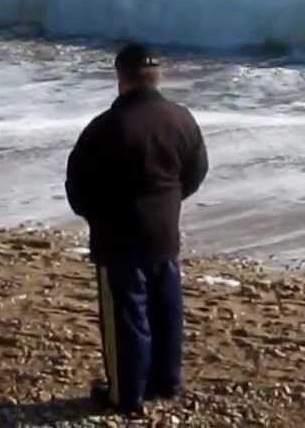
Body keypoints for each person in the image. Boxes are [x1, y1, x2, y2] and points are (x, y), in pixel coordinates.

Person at [65, 42, 209, 416]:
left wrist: (98, 217)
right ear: (156, 76)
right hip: (165, 232)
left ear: (120, 78)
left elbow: (78, 189)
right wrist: (169, 201)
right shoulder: (181, 119)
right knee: (166, 309)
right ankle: (166, 381)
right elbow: (195, 174)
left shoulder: (105, 128)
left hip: (119, 238)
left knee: (126, 316)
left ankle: (125, 394)